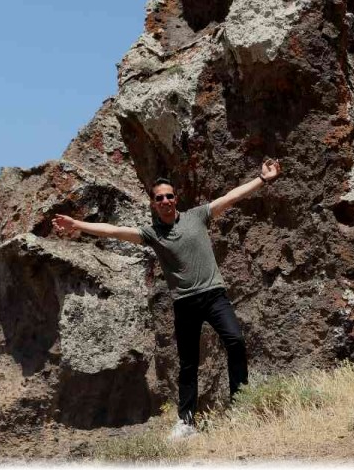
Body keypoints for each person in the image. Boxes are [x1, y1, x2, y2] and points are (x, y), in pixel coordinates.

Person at [51, 158, 281, 440]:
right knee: (188, 364)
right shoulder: (152, 234)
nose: (166, 201)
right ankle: (186, 422)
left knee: (235, 341)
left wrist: (264, 179)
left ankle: (240, 404)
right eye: (159, 198)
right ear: (153, 204)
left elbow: (230, 197)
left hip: (213, 295)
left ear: (176, 198)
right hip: (185, 302)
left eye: (169, 196)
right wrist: (77, 224)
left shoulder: (198, 216)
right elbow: (115, 231)